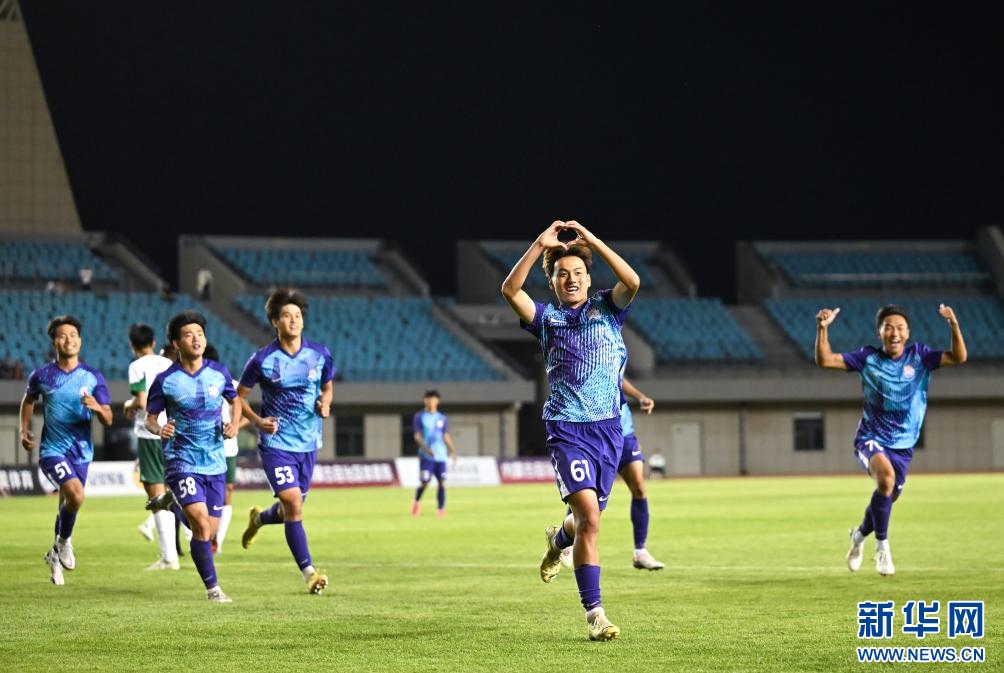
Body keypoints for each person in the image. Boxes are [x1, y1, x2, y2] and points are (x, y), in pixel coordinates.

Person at [501, 220, 640, 641]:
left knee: (582, 522)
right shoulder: (547, 319)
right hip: (566, 429)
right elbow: (510, 290)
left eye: (578, 272)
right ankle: (595, 615)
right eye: (563, 274)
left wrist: (593, 241)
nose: (572, 279)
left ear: (589, 278)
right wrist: (537, 245)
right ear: (553, 282)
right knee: (591, 519)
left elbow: (632, 281)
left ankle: (557, 540)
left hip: (608, 431)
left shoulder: (608, 309)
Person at [815, 303, 967, 576]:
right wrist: (822, 329)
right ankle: (882, 547)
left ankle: (859, 536)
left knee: (886, 496)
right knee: (885, 479)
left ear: (907, 333)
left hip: (903, 446)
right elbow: (825, 360)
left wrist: (953, 324)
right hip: (870, 438)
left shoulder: (920, 356)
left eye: (899, 328)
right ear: (879, 333)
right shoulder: (867, 358)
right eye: (888, 328)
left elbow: (959, 357)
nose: (894, 333)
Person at [237, 288, 335, 595]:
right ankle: (309, 573)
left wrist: (325, 403)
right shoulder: (262, 359)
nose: (293, 320)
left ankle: (258, 519)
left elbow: (327, 386)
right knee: (293, 503)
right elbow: (239, 397)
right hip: (276, 443)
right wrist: (257, 422)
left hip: (308, 443)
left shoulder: (320, 354)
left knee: (289, 509)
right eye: (286, 315)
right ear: (274, 322)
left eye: (298, 315)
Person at [146, 311, 242, 602]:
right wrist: (159, 428)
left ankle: (172, 504)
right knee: (200, 522)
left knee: (209, 531)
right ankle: (213, 590)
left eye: (200, 334)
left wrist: (234, 424)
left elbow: (236, 400)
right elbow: (150, 418)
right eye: (189, 335)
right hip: (181, 459)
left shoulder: (219, 372)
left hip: (214, 460)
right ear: (177, 343)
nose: (196, 339)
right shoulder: (165, 380)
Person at [19, 315, 113, 585]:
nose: (68, 339)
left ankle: (54, 555)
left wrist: (98, 408)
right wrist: (24, 429)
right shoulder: (42, 375)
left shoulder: (93, 377)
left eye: (73, 335)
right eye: (62, 335)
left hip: (81, 452)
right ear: (54, 342)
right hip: (52, 450)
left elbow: (108, 419)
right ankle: (64, 542)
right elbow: (28, 400)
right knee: (77, 495)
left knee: (67, 503)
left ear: (80, 341)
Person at [561, 376, 665, 571]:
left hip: (623, 431)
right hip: (594, 428)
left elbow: (618, 375)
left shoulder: (618, 355)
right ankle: (565, 542)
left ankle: (640, 551)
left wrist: (639, 397)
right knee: (587, 491)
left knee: (639, 487)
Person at [124, 323, 178, 570]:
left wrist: (128, 405)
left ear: (132, 345)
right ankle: (190, 538)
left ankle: (169, 557)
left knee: (156, 491)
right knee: (174, 488)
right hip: (173, 430)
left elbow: (142, 401)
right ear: (153, 342)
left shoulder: (137, 366)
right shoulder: (168, 363)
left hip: (150, 432)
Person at [202, 343, 245, 552]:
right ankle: (202, 535)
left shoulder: (231, 384)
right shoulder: (195, 384)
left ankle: (217, 541)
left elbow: (246, 413)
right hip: (203, 447)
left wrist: (234, 426)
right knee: (203, 493)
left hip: (228, 448)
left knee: (227, 492)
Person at [410, 389, 456, 516]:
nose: (430, 401)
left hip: (441, 455)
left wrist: (452, 451)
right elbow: (417, 436)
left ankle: (441, 509)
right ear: (425, 400)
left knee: (442, 482)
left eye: (433, 399)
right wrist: (426, 449)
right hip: (426, 456)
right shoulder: (419, 416)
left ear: (438, 401)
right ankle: (416, 502)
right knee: (425, 482)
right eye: (428, 399)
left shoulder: (441, 417)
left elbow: (445, 435)